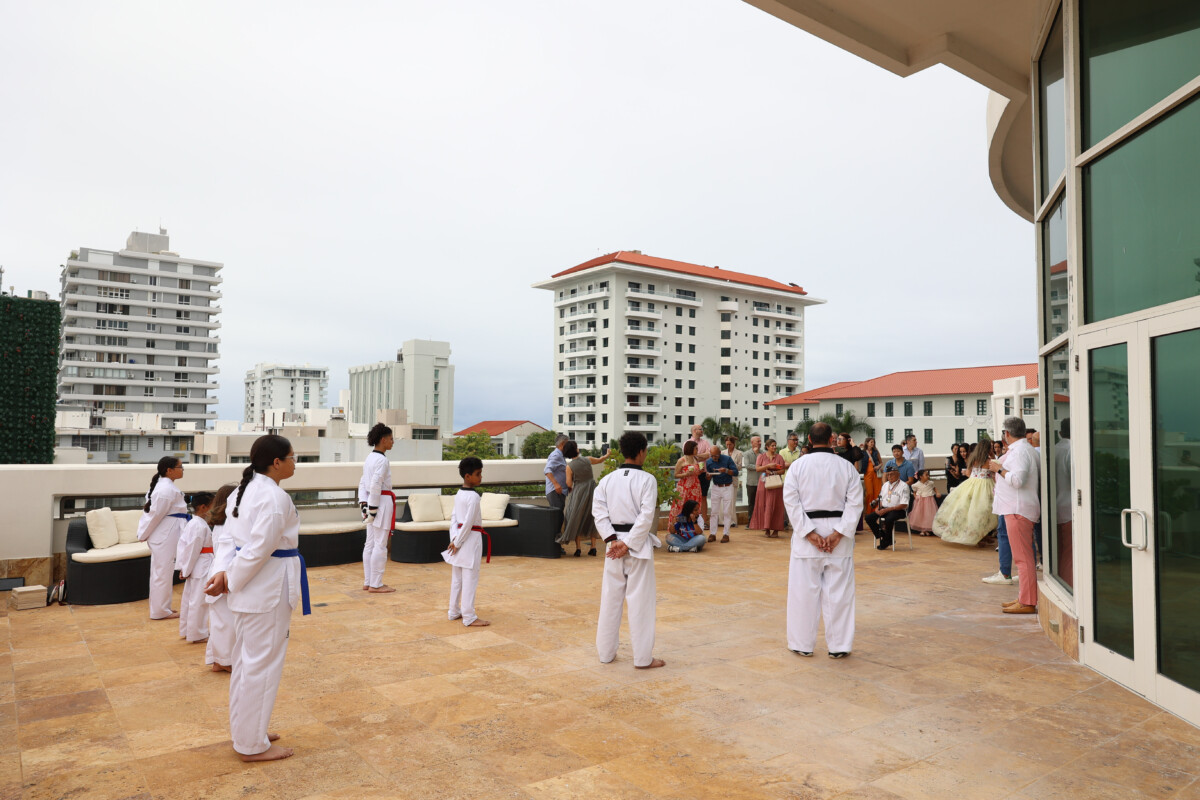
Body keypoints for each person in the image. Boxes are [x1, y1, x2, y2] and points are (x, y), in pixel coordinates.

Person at [206, 434, 307, 763]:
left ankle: (248, 732)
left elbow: (227, 540)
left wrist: (224, 573)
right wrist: (230, 579)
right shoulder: (274, 498)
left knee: (246, 663)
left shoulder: (242, 490)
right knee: (261, 666)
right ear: (276, 463)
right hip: (266, 589)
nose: (295, 463)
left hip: (251, 589)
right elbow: (258, 550)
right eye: (292, 458)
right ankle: (251, 744)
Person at [781, 422, 864, 658]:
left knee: (803, 592)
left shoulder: (797, 466)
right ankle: (839, 646)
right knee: (839, 594)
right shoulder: (846, 467)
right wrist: (838, 533)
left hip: (808, 535)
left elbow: (791, 502)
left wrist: (809, 533)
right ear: (831, 440)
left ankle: (801, 644)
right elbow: (855, 503)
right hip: (838, 535)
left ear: (809, 439)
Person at [593, 431, 664, 670]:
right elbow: (646, 516)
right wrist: (629, 543)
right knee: (640, 602)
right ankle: (643, 659)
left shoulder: (607, 480)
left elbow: (599, 513)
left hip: (613, 547)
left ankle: (605, 654)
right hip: (636, 547)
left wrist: (613, 540)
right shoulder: (647, 480)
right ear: (642, 451)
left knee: (610, 599)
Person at [990, 417, 1041, 614]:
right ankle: (1024, 597)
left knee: (1023, 558)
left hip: (1018, 510)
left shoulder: (1020, 451)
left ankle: (1027, 601)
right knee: (1022, 557)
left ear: (1007, 433)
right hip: (1015, 508)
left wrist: (999, 469)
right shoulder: (1023, 449)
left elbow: (1018, 480)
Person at [136, 456, 188, 621]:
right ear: (169, 470)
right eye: (180, 467)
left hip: (167, 532)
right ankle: (160, 611)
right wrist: (143, 534)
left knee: (162, 572)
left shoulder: (166, 487)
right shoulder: (165, 490)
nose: (182, 470)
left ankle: (162, 608)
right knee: (162, 573)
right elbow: (154, 515)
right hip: (165, 534)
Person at [444, 457, 491, 627]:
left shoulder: (459, 494)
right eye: (478, 474)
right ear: (467, 476)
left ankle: (453, 611)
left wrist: (454, 539)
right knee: (470, 578)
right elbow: (469, 522)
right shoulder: (474, 497)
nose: (480, 477)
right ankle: (469, 616)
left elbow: (454, 519)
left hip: (458, 538)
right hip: (470, 541)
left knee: (457, 578)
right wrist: (457, 542)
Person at [933, 440, 1000, 547]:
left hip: (971, 484)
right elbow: (996, 472)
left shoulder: (973, 459)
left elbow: (968, 473)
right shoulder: (990, 461)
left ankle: (980, 536)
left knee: (971, 510)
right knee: (984, 512)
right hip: (985, 485)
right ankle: (980, 536)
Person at [358, 423, 397, 594]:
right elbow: (374, 484)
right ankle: (376, 584)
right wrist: (373, 509)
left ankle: (368, 582)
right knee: (380, 544)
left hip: (371, 502)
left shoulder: (369, 458)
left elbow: (362, 483)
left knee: (370, 544)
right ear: (383, 440)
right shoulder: (382, 460)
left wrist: (364, 504)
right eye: (391, 439)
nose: (393, 442)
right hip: (380, 502)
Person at [204, 483, 238, 673]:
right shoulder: (227, 525)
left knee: (219, 620)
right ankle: (223, 660)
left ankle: (217, 659)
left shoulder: (219, 524)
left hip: (219, 572)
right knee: (225, 621)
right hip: (222, 574)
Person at [176, 491, 216, 643]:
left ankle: (188, 630)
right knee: (199, 602)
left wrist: (184, 567)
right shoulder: (198, 526)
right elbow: (192, 549)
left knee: (190, 599)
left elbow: (185, 547)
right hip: (201, 565)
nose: (214, 509)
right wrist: (185, 569)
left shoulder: (195, 523)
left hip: (196, 565)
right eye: (212, 506)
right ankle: (198, 634)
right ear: (203, 507)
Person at [559, 440, 606, 557]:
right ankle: (593, 548)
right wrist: (608, 454)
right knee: (592, 517)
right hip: (592, 491)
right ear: (576, 449)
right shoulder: (588, 459)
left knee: (575, 517)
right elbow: (600, 460)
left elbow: (568, 483)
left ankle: (578, 548)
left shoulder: (569, 467)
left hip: (579, 492)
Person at [865, 465, 910, 549]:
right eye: (888, 474)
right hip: (885, 508)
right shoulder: (885, 485)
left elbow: (904, 504)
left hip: (898, 510)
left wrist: (888, 509)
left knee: (889, 519)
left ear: (898, 474)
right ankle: (886, 537)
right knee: (868, 518)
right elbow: (881, 499)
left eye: (892, 474)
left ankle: (886, 541)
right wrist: (878, 508)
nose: (889, 476)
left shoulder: (904, 486)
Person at [751, 439, 788, 538]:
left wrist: (773, 472)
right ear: (767, 447)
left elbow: (782, 471)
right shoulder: (761, 456)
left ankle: (776, 530)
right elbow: (757, 468)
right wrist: (767, 466)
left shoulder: (779, 457)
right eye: (772, 446)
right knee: (763, 504)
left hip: (775, 483)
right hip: (763, 483)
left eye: (775, 445)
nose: (774, 447)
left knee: (776, 505)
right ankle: (766, 528)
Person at [668, 440, 706, 537]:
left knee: (694, 508)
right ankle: (678, 529)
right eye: (696, 448)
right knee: (681, 507)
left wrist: (700, 471)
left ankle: (693, 528)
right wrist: (686, 474)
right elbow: (676, 475)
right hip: (684, 487)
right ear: (690, 449)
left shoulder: (696, 459)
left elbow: (696, 473)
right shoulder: (681, 460)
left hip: (695, 487)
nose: (697, 450)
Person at [705, 444, 738, 543]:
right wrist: (708, 476)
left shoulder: (727, 459)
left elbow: (736, 472)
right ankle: (712, 533)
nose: (714, 458)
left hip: (727, 486)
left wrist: (726, 470)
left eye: (716, 455)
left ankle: (726, 534)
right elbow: (709, 476)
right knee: (714, 512)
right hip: (716, 487)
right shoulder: (709, 462)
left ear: (720, 453)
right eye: (712, 456)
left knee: (727, 511)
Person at [1054, 419, 1073, 588]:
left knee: (1058, 550)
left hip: (1054, 507)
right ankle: (1068, 585)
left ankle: (1059, 582)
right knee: (1070, 552)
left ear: (1060, 433)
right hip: (1069, 508)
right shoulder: (1072, 450)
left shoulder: (1053, 450)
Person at [859, 438, 882, 533]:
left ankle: (875, 515)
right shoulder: (863, 452)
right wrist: (859, 448)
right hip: (867, 474)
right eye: (871, 442)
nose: (872, 443)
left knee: (877, 494)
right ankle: (869, 515)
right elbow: (857, 457)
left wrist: (878, 466)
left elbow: (881, 462)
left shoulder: (876, 452)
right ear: (867, 443)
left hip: (876, 474)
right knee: (869, 494)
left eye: (873, 442)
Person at [689, 425, 712, 522]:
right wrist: (702, 456)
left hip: (703, 473)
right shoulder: (688, 443)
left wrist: (696, 455)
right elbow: (689, 456)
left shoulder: (705, 442)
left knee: (704, 496)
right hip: (692, 474)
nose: (702, 431)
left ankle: (704, 521)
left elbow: (709, 455)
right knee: (692, 497)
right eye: (700, 429)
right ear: (695, 431)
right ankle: (692, 520)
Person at [544, 434, 570, 515]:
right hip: (555, 491)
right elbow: (547, 470)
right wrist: (556, 484)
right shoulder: (556, 455)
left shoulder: (560, 455)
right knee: (557, 516)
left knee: (558, 515)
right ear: (562, 444)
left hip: (559, 491)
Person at [723, 435, 743, 527]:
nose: (728, 446)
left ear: (734, 444)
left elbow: (740, 466)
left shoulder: (739, 453)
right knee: (724, 501)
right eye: (727, 444)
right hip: (723, 479)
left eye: (730, 444)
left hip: (733, 479)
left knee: (732, 501)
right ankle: (723, 520)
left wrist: (731, 465)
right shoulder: (723, 452)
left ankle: (732, 521)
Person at [742, 435, 764, 518]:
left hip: (762, 482)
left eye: (760, 441)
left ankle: (761, 521)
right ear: (752, 442)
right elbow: (747, 465)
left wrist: (760, 466)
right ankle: (750, 521)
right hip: (751, 483)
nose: (760, 443)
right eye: (758, 441)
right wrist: (760, 467)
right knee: (751, 503)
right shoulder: (747, 453)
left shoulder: (764, 453)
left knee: (762, 503)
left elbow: (766, 464)